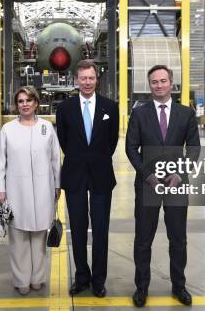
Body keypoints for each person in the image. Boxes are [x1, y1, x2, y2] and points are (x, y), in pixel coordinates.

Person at [125, 64, 201, 307]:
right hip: (148, 185)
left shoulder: (186, 114)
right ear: (150, 86)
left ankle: (179, 286)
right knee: (143, 239)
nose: (159, 85)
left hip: (176, 185)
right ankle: (142, 288)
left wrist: (180, 173)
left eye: (163, 81)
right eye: (154, 82)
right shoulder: (139, 114)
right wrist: (147, 175)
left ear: (172, 84)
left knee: (178, 239)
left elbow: (194, 147)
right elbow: (130, 148)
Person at [55, 59, 119, 298]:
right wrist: (81, 157)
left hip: (102, 175)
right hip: (75, 175)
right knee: (78, 228)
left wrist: (96, 157)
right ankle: (81, 276)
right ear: (76, 80)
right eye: (83, 78)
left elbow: (111, 142)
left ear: (96, 79)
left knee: (101, 229)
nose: (87, 82)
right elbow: (64, 141)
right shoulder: (65, 108)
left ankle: (99, 280)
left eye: (91, 78)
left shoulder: (110, 107)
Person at [0, 86, 61, 295]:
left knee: (39, 236)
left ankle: (37, 277)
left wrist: (57, 184)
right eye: (20, 101)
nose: (25, 105)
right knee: (18, 237)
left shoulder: (47, 128)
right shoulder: (8, 130)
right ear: (16, 105)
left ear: (36, 103)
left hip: (43, 190)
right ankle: (21, 279)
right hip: (15, 190)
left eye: (29, 100)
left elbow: (55, 158)